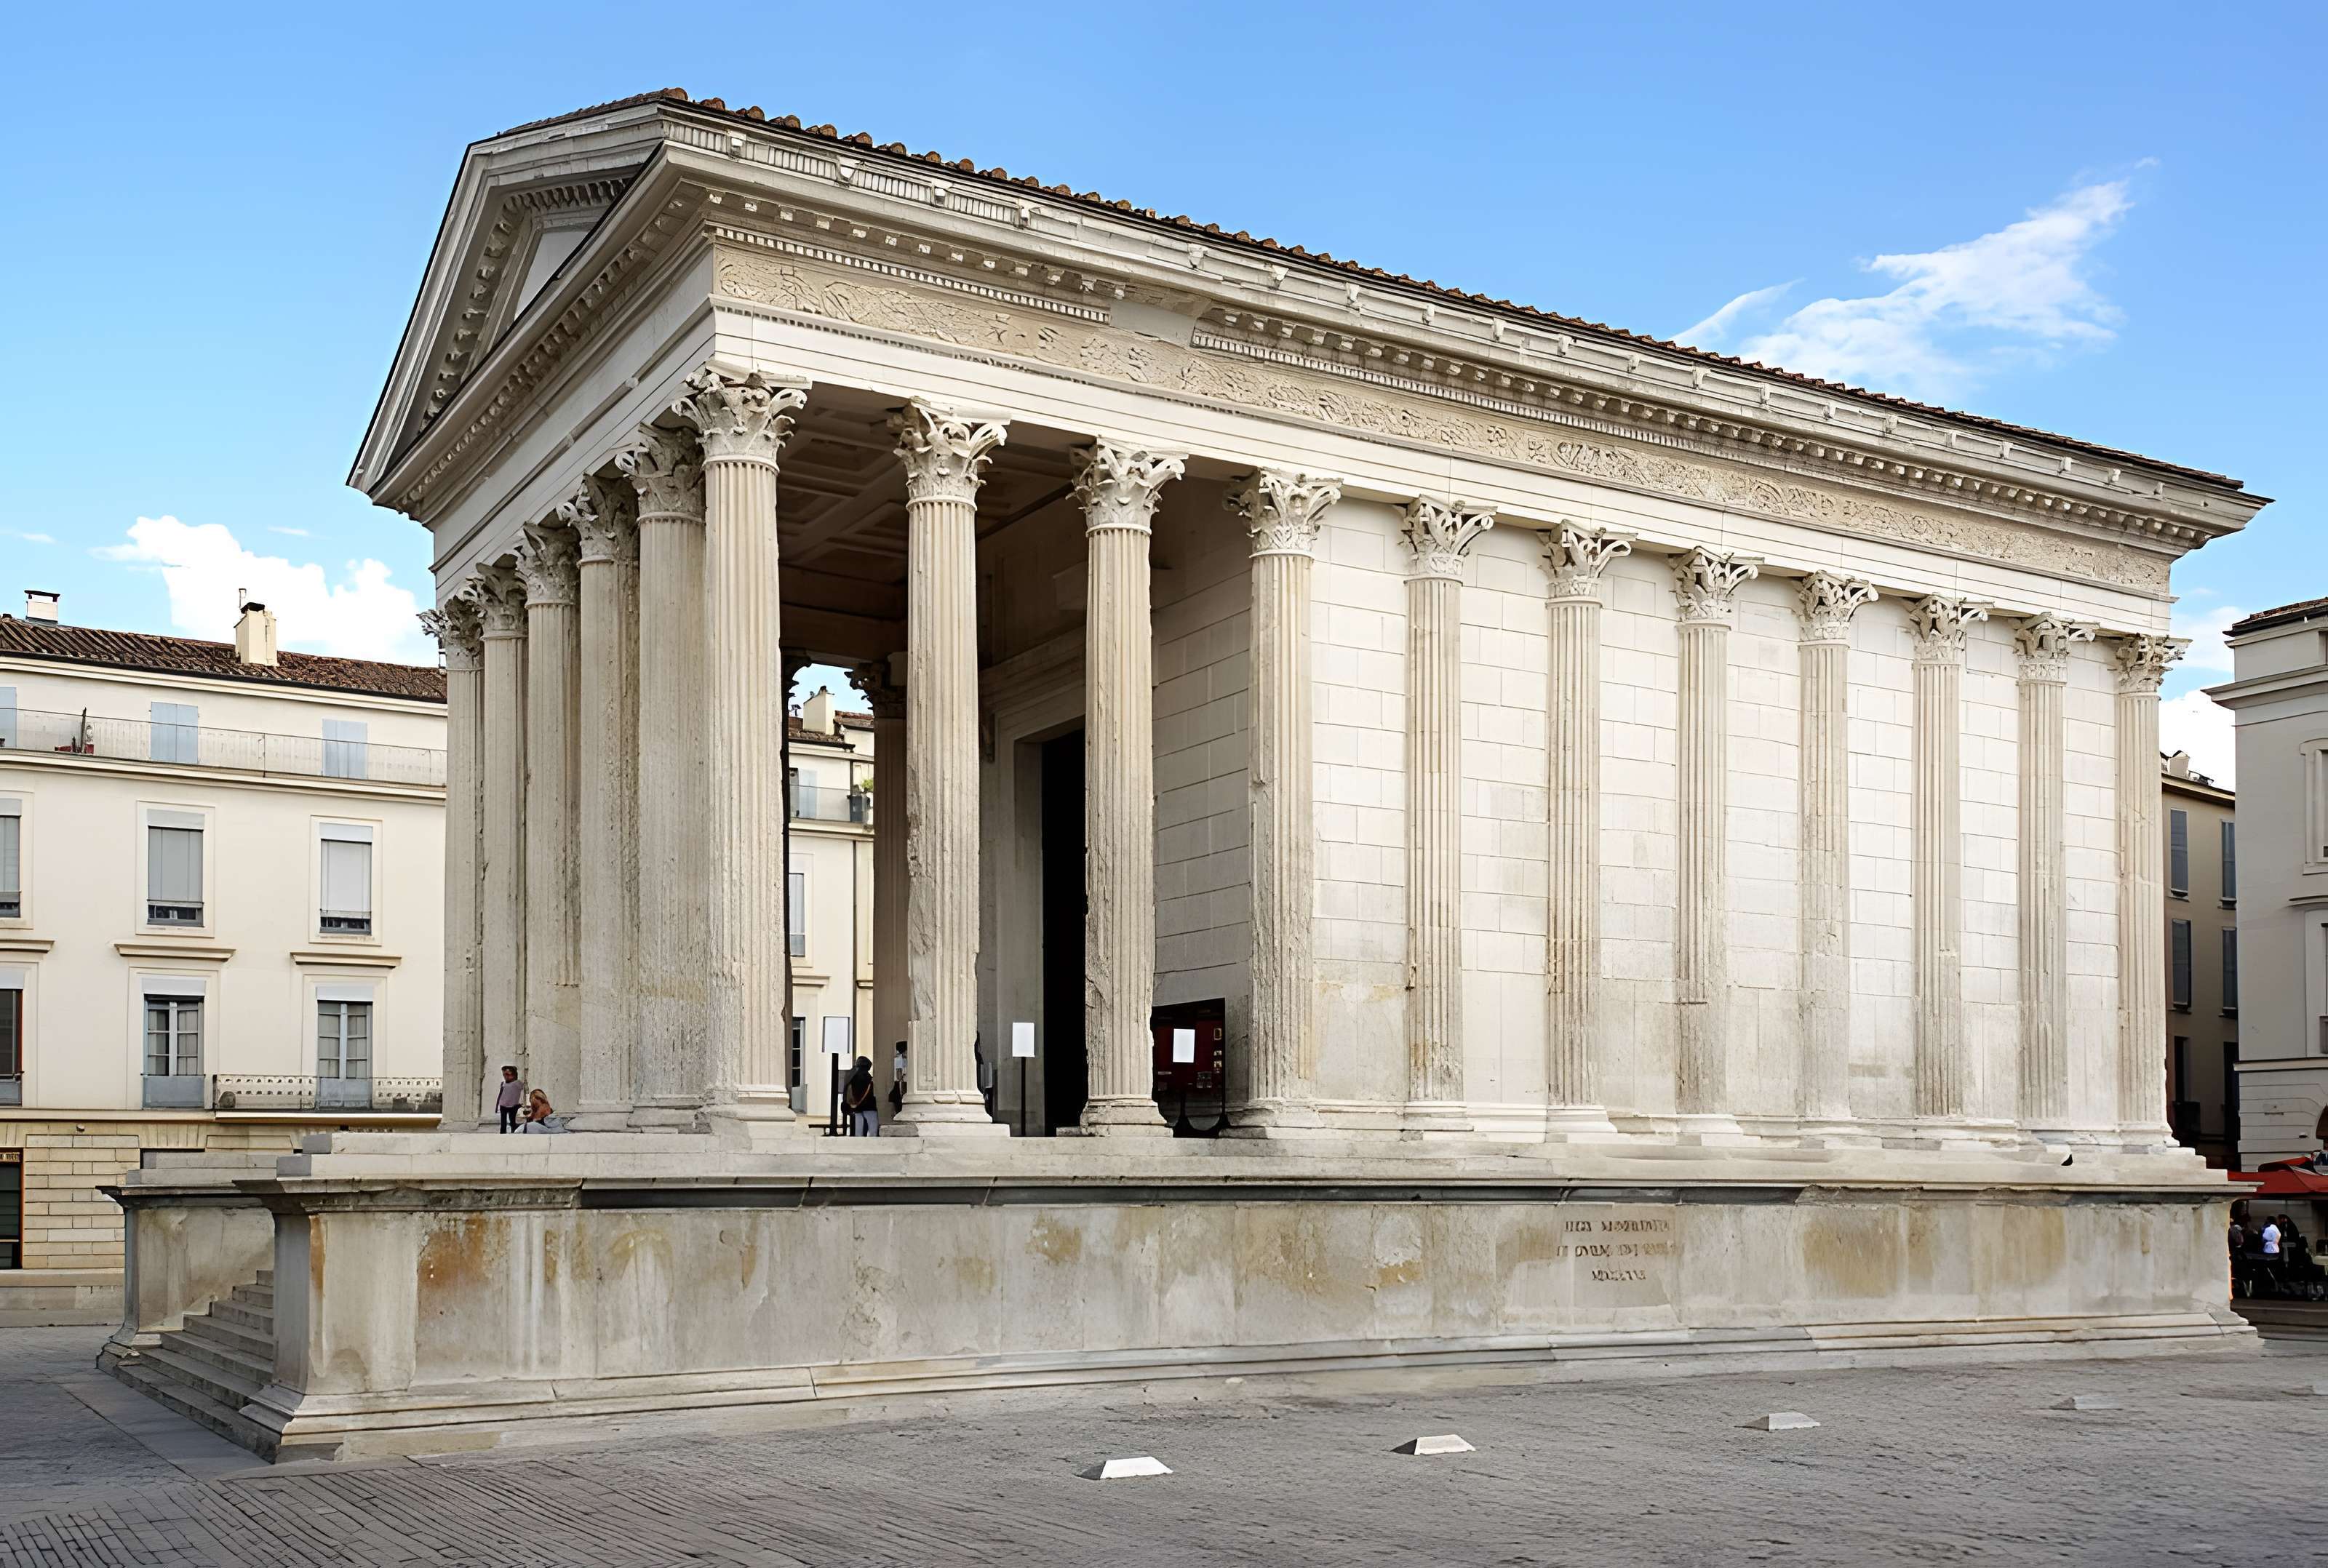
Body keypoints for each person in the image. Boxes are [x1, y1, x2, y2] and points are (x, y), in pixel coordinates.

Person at [845, 1056, 880, 1137]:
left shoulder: (852, 1078)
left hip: (857, 1107)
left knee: (858, 1131)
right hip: (869, 1107)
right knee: (873, 1129)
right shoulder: (869, 1078)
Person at [495, 1065, 525, 1134]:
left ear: (514, 1075)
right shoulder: (503, 1084)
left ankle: (514, 1132)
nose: (505, 1076)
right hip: (503, 1105)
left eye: (508, 1074)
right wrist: (498, 1106)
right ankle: (503, 1132)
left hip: (513, 1105)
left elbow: (523, 1091)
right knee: (503, 1122)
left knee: (513, 1121)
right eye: (504, 1075)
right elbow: (501, 1095)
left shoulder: (518, 1083)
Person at [889, 1040, 908, 1119]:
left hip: (901, 1084)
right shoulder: (899, 1060)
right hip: (901, 1084)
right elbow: (899, 1075)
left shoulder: (899, 1059)